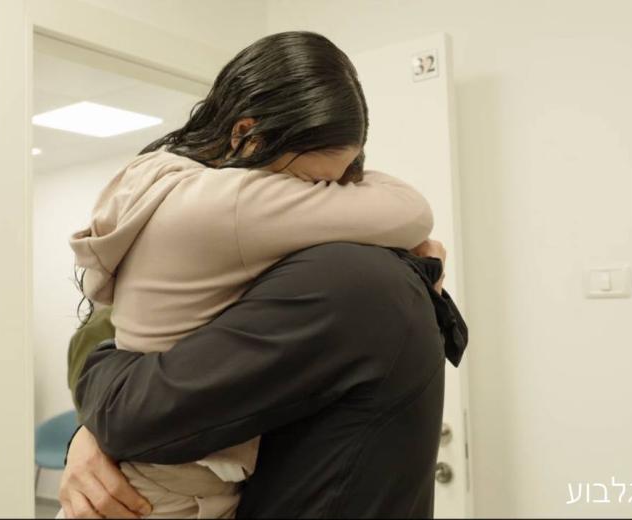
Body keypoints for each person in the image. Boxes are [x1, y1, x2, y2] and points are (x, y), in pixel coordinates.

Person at [63, 30, 439, 519]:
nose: (326, 194)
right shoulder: (233, 204)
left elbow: (104, 344)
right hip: (176, 491)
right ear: (245, 136)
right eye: (315, 183)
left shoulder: (157, 180)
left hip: (148, 471)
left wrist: (89, 430)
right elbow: (410, 211)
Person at [62, 241, 467, 518]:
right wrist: (88, 435)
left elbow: (131, 412)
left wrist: (97, 431)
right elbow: (135, 406)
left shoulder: (345, 284)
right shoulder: (380, 279)